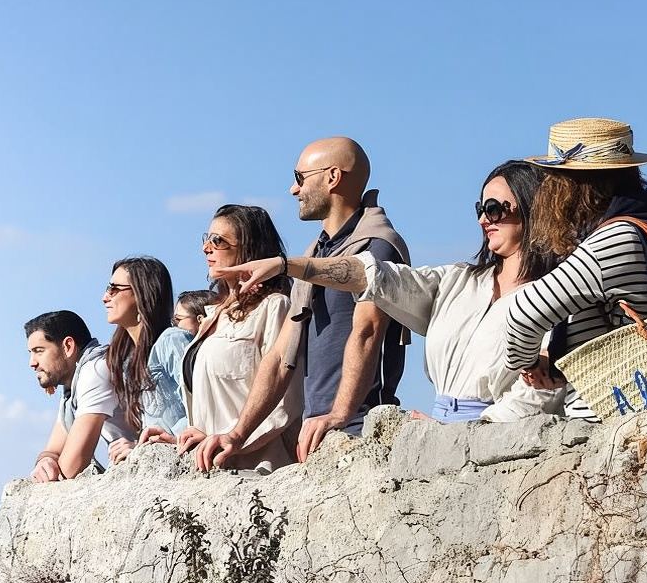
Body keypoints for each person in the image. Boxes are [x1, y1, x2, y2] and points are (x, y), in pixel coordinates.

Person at [211, 161, 566, 423]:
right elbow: (373, 275)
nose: (483, 219)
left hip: (501, 450)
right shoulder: (458, 281)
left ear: (533, 210)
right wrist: (287, 265)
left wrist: (459, 433)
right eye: (479, 208)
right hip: (437, 434)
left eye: (495, 208)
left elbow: (538, 395)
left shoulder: (558, 297)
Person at [191, 137, 410, 470]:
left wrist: (340, 414)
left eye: (299, 178)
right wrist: (237, 434)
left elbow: (368, 332)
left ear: (332, 177)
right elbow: (281, 357)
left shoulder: (378, 245)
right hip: (317, 433)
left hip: (360, 431)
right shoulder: (314, 252)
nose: (293, 190)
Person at [504, 118, 647, 420]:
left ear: (569, 185)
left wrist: (528, 362)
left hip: (610, 417)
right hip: (639, 406)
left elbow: (524, 313)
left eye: (551, 178)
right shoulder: (644, 226)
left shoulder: (613, 240)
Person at [145, 204, 296, 473]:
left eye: (218, 241)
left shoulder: (276, 307)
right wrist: (183, 441)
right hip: (212, 470)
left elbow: (287, 400)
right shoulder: (215, 316)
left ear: (249, 251)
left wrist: (232, 438)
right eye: (207, 239)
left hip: (261, 472)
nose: (206, 248)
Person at [99, 257, 192, 465]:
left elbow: (203, 406)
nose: (105, 297)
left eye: (114, 289)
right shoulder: (127, 362)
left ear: (141, 293)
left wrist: (173, 440)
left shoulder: (172, 340)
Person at [25, 310, 134, 482]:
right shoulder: (73, 387)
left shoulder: (96, 370)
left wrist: (54, 465)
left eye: (39, 351)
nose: (32, 362)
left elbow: (71, 468)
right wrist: (45, 461)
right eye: (30, 353)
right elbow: (53, 450)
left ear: (68, 347)